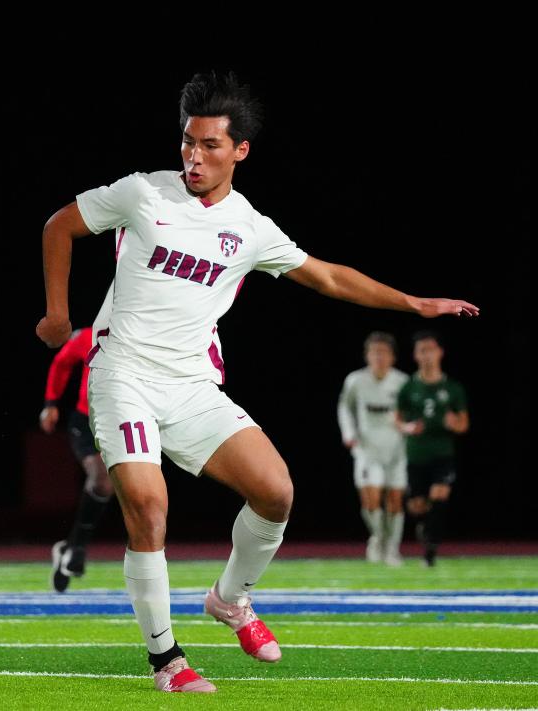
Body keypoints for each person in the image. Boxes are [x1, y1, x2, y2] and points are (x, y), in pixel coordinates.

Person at [36, 70, 479, 693]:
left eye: (210, 145)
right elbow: (60, 225)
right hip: (123, 376)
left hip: (191, 385)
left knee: (276, 492)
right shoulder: (143, 193)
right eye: (188, 141)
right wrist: (58, 314)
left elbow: (327, 277)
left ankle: (230, 600)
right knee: (149, 505)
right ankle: (167, 661)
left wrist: (415, 304)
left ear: (240, 150)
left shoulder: (249, 227)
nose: (194, 156)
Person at [40, 324, 114, 592]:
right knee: (102, 480)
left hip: (124, 421)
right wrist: (50, 404)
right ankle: (78, 548)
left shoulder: (145, 332)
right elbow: (61, 363)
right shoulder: (89, 335)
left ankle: (69, 548)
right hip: (86, 421)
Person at [397, 330, 469, 567]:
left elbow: (463, 423)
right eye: (421, 351)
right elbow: (397, 419)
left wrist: (454, 423)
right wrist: (408, 427)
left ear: (440, 352)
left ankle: (431, 548)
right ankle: (424, 528)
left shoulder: (453, 388)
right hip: (416, 454)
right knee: (417, 506)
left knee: (439, 496)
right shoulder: (409, 387)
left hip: (442, 454)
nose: (426, 355)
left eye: (430, 349)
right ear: (416, 355)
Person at [337, 332, 409, 566]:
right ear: (367, 355)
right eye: (374, 352)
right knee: (370, 500)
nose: (379, 357)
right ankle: (378, 537)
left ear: (393, 357)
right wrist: (349, 434)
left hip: (397, 449)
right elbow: (344, 408)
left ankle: (392, 548)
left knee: (396, 500)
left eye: (384, 352)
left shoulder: (402, 382)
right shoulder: (355, 380)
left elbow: (410, 413)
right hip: (367, 448)